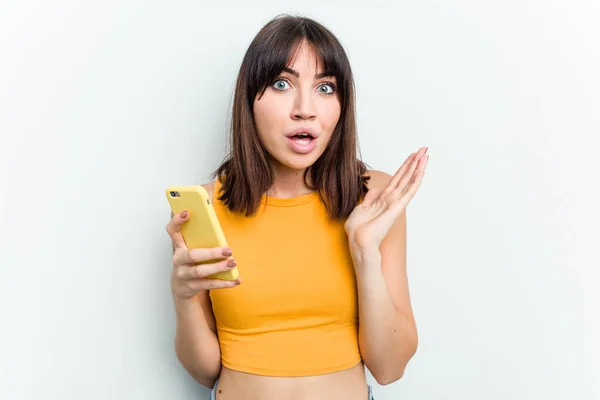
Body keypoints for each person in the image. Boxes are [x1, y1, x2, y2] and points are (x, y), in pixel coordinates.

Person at [166, 14, 429, 400]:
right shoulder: (204, 207)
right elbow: (205, 372)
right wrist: (183, 297)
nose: (305, 108)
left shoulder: (374, 197)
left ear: (342, 105)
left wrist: (364, 250)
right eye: (281, 84)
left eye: (325, 88)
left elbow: (389, 368)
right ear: (250, 100)